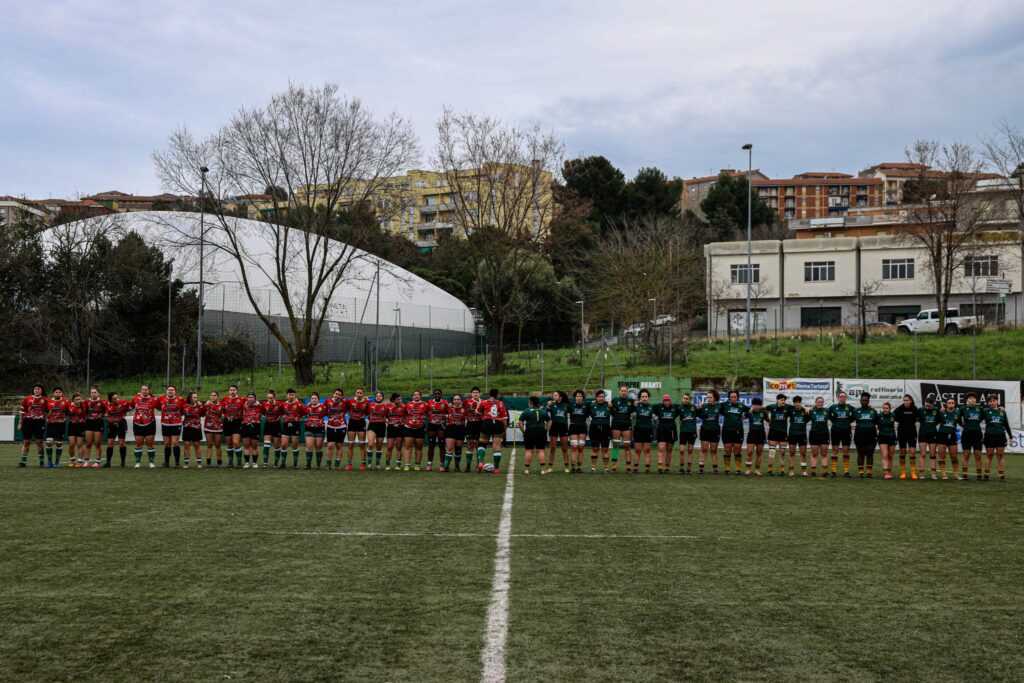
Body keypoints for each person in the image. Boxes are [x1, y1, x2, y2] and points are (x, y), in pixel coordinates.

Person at [478, 388, 509, 473]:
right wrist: (504, 430)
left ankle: (480, 462)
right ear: (497, 395)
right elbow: (504, 419)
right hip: (498, 424)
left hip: (487, 423)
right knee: (497, 447)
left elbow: (478, 412)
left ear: (489, 394)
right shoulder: (501, 403)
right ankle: (496, 468)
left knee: (482, 444)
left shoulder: (484, 402)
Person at [982, 394, 1012, 481]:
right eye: (990, 401)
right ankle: (986, 475)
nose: (992, 402)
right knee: (989, 455)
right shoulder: (985, 411)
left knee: (1000, 455)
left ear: (997, 401)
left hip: (1000, 436)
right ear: (988, 402)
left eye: (994, 400)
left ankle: (1001, 476)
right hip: (989, 436)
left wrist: (1010, 436)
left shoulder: (1002, 411)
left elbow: (1006, 425)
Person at [718, 390, 748, 475]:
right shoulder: (724, 405)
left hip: (738, 431)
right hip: (726, 430)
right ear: (729, 398)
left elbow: (751, 411)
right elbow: (716, 409)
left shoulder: (741, 405)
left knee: (737, 450)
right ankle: (727, 468)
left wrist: (745, 416)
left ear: (737, 397)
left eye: (735, 397)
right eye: (731, 397)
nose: (733, 398)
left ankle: (738, 469)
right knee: (727, 450)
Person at [519, 396, 551, 474]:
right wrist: (546, 430)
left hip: (530, 431)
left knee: (529, 451)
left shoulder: (527, 411)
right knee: (541, 450)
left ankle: (526, 469)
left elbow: (520, 423)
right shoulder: (543, 411)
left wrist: (523, 432)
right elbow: (550, 421)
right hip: (541, 431)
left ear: (531, 402)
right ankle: (543, 470)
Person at [18, 385, 48, 467]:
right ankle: (23, 462)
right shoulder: (27, 399)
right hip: (28, 421)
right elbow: (22, 411)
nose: (37, 390)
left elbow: (48, 411)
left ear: (41, 391)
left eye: (38, 389)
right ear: (33, 390)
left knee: (39, 442)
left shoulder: (45, 400)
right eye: (35, 389)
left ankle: (41, 462)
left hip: (39, 422)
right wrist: (20, 423)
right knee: (26, 441)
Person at [957, 392, 985, 481]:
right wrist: (962, 425)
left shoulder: (980, 409)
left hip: (977, 434)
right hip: (967, 434)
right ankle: (965, 475)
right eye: (970, 398)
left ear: (975, 400)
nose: (972, 400)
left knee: (978, 455)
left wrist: (1001, 409)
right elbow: (956, 417)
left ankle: (979, 475)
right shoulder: (963, 409)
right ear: (967, 400)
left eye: (973, 398)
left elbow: (985, 416)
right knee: (966, 455)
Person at [893, 394, 921, 480]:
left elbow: (918, 418)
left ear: (911, 401)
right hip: (902, 432)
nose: (905, 402)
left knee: (912, 452)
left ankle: (913, 473)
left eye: (907, 400)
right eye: (904, 400)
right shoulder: (899, 409)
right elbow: (894, 417)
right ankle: (903, 472)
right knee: (902, 452)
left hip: (912, 432)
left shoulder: (914, 409)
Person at [131, 385, 159, 469]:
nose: (144, 391)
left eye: (145, 390)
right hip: (137, 423)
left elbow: (161, 407)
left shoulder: (153, 400)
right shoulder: (136, 398)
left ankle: (151, 462)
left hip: (150, 423)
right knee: (138, 444)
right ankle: (137, 462)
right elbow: (130, 406)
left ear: (148, 390)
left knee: (150, 444)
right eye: (142, 389)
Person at [157, 385, 186, 468]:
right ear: (166, 391)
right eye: (169, 390)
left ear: (175, 391)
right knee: (167, 444)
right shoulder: (161, 399)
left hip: (176, 424)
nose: (170, 391)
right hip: (165, 424)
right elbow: (152, 401)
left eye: (172, 390)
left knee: (175, 443)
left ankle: (177, 463)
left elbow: (186, 407)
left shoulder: (180, 399)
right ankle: (166, 463)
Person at [827, 391, 854, 477]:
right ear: (838, 398)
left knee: (846, 450)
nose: (842, 398)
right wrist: (833, 420)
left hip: (846, 431)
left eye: (844, 397)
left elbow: (856, 413)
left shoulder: (849, 407)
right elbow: (826, 413)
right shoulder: (833, 407)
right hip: (836, 431)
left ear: (846, 398)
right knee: (835, 450)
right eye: (841, 397)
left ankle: (846, 471)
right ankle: (834, 471)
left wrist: (848, 421)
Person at [853, 393, 879, 477]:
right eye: (862, 400)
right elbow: (849, 420)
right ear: (860, 401)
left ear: (868, 401)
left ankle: (869, 472)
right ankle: (860, 472)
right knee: (861, 453)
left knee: (870, 453)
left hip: (871, 435)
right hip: (859, 435)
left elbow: (878, 422)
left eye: (866, 400)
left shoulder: (873, 411)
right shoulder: (856, 411)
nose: (864, 402)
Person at [43, 387, 70, 468]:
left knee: (59, 443)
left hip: (61, 424)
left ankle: (57, 462)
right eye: (56, 392)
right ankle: (50, 462)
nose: (58, 393)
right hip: (51, 424)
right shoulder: (49, 401)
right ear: (53, 393)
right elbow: (45, 411)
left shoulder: (66, 401)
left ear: (61, 393)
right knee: (49, 442)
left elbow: (69, 412)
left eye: (59, 392)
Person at [587, 390, 613, 473]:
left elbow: (615, 412)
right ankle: (593, 468)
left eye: (602, 397)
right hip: (594, 429)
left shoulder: (608, 405)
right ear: (596, 398)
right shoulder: (591, 405)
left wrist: (608, 401)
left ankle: (606, 468)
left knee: (605, 449)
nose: (601, 398)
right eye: (599, 397)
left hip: (606, 429)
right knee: (595, 449)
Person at [402, 390, 429, 471]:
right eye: (414, 394)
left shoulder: (425, 405)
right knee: (408, 447)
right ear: (412, 396)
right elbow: (405, 414)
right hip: (409, 428)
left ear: (421, 396)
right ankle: (407, 465)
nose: (416, 396)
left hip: (420, 428)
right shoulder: (408, 404)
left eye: (418, 394)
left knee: (419, 448)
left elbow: (428, 413)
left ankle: (417, 465)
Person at [696, 390, 721, 474]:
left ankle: (715, 468)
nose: (708, 399)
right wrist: (699, 408)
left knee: (713, 450)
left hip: (715, 430)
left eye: (710, 397)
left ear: (715, 398)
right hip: (705, 430)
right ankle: (701, 468)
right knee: (704, 449)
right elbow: (697, 414)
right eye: (707, 397)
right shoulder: (703, 406)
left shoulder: (719, 406)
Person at [766, 393, 791, 476]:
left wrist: (805, 408)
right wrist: (768, 420)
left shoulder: (788, 407)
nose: (783, 401)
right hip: (773, 432)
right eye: (781, 400)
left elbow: (798, 408)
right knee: (772, 452)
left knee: (782, 452)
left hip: (783, 433)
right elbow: (762, 409)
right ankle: (769, 471)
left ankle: (782, 471)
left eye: (784, 400)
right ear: (777, 400)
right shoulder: (772, 407)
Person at [103, 392, 131, 467]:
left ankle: (122, 462)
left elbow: (131, 404)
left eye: (117, 397)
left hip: (121, 424)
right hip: (111, 425)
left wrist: (126, 410)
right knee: (110, 443)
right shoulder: (106, 404)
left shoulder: (123, 402)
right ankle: (108, 462)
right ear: (110, 400)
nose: (117, 399)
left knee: (121, 443)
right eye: (114, 399)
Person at [653, 394, 679, 474]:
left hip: (671, 431)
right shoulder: (658, 407)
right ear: (663, 401)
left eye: (668, 400)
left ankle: (667, 467)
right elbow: (649, 406)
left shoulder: (675, 407)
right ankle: (660, 467)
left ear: (670, 401)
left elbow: (684, 407)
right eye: (665, 400)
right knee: (661, 449)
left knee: (669, 450)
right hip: (661, 430)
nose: (666, 402)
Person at [935, 398, 960, 480]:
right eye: (949, 403)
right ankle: (943, 474)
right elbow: (935, 421)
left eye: (952, 402)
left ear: (954, 404)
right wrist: (939, 411)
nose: (951, 404)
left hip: (952, 435)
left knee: (954, 456)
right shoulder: (941, 412)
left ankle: (956, 474)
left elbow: (961, 422)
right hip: (942, 435)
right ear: (946, 404)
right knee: (942, 455)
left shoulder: (957, 412)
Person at [546, 390, 570, 474]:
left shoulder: (566, 405)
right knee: (552, 448)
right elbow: (544, 410)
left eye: (556, 395)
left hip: (563, 428)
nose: (554, 397)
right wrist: (547, 404)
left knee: (564, 448)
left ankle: (567, 466)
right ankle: (550, 466)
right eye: (554, 395)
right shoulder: (551, 404)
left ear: (560, 397)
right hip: (553, 428)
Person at [610, 386, 634, 473]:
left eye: (625, 391)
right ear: (619, 391)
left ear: (627, 392)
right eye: (622, 391)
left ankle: (628, 467)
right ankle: (614, 467)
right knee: (616, 445)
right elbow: (611, 410)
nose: (624, 392)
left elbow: (635, 409)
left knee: (627, 446)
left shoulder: (631, 401)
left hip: (627, 426)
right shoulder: (615, 400)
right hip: (616, 425)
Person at [346, 388, 370, 470]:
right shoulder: (350, 401)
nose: (359, 394)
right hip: (352, 422)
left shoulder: (367, 402)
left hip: (361, 423)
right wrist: (352, 415)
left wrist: (361, 416)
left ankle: (363, 464)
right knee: (350, 444)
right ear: (355, 393)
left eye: (361, 393)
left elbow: (368, 412)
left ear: (363, 394)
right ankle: (349, 464)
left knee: (362, 444)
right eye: (358, 392)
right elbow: (346, 409)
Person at [221, 385, 245, 467]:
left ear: (237, 391)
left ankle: (239, 462)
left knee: (236, 442)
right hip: (227, 422)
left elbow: (250, 404)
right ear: (229, 391)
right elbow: (220, 408)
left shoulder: (242, 399)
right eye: (231, 390)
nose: (232, 391)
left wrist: (256, 402)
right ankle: (230, 462)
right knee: (229, 443)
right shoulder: (225, 399)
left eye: (234, 390)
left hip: (237, 422)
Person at [632, 389, 655, 474]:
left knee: (647, 450)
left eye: (646, 396)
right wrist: (635, 402)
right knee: (637, 450)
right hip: (638, 429)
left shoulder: (652, 407)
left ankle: (647, 469)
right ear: (640, 398)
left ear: (648, 397)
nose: (644, 398)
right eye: (643, 397)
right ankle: (635, 469)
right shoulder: (636, 405)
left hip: (648, 430)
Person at [281, 389, 306, 469]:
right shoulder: (283, 404)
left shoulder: (298, 404)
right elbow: (280, 413)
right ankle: (283, 464)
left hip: (295, 425)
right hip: (286, 425)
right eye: (289, 394)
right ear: (287, 395)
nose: (291, 396)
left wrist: (296, 418)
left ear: (295, 396)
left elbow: (303, 413)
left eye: (292, 394)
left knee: (295, 444)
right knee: (284, 445)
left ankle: (295, 464)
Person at [83, 386, 106, 468]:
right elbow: (83, 411)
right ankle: (86, 461)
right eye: (92, 392)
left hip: (98, 422)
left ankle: (97, 461)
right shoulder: (86, 401)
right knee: (88, 443)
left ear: (98, 393)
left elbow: (106, 410)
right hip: (89, 422)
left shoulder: (102, 401)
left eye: (95, 392)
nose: (93, 394)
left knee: (97, 443)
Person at [426, 389, 449, 472]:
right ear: (433, 395)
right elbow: (427, 412)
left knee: (442, 445)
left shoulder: (445, 403)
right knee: (431, 445)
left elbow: (448, 412)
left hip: (441, 426)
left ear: (441, 394)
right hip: (432, 425)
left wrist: (443, 418)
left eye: (438, 394)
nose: (437, 395)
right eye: (435, 394)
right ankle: (429, 464)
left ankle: (442, 465)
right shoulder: (429, 402)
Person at [324, 389, 348, 470]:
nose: (337, 395)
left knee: (339, 445)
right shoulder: (328, 401)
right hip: (331, 426)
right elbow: (322, 408)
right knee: (330, 446)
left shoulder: (345, 402)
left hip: (341, 426)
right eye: (336, 394)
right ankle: (328, 464)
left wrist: (366, 399)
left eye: (339, 394)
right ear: (333, 394)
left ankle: (337, 464)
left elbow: (355, 403)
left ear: (341, 396)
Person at [444, 394, 469, 472]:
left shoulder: (464, 409)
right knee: (450, 448)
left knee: (458, 449)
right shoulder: (448, 407)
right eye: (455, 399)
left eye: (458, 399)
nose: (456, 401)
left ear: (461, 400)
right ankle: (446, 467)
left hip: (461, 429)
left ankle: (457, 467)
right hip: (451, 429)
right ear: (452, 400)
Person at [917, 398, 940, 480]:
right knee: (923, 454)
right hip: (923, 434)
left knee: (932, 454)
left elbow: (938, 421)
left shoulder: (936, 410)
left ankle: (933, 474)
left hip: (933, 434)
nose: (927, 406)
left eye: (929, 405)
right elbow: (917, 419)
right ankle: (921, 473)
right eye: (926, 405)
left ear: (933, 404)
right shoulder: (920, 410)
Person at [303, 392, 327, 469]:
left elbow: (328, 414)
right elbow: (302, 413)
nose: (314, 400)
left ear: (318, 400)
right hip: (309, 428)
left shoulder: (323, 407)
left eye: (315, 398)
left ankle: (318, 465)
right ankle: (308, 464)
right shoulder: (307, 407)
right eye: (312, 398)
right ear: (310, 399)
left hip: (320, 428)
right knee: (309, 446)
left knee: (318, 447)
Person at [261, 389, 284, 469]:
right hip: (268, 424)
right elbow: (263, 412)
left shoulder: (279, 404)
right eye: (268, 398)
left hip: (276, 425)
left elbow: (283, 412)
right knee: (266, 444)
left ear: (274, 398)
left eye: (271, 398)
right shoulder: (264, 404)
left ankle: (276, 463)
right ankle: (265, 463)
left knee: (276, 445)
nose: (270, 399)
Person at [808, 397, 830, 477]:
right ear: (816, 403)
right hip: (814, 434)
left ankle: (825, 472)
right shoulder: (811, 411)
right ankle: (813, 472)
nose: (820, 403)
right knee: (814, 453)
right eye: (818, 402)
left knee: (824, 454)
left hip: (824, 434)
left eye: (821, 402)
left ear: (823, 403)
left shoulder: (827, 411)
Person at [786, 396, 808, 477]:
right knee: (792, 453)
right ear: (794, 403)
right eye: (796, 402)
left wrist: (805, 408)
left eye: (799, 402)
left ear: (801, 402)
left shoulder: (805, 411)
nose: (797, 404)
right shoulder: (790, 410)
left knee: (803, 453)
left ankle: (804, 471)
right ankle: (791, 470)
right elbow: (783, 406)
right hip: (792, 434)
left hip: (802, 435)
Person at [366, 391, 389, 471]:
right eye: (377, 396)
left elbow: (389, 416)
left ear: (383, 397)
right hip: (372, 426)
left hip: (381, 426)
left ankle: (377, 465)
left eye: (380, 396)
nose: (378, 397)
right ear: (375, 397)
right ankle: (369, 464)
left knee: (379, 447)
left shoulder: (386, 407)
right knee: (370, 444)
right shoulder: (370, 405)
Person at [181, 392, 205, 468]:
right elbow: (180, 414)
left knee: (196, 445)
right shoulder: (184, 406)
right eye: (194, 397)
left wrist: (202, 405)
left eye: (196, 397)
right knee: (186, 445)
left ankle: (199, 463)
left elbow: (204, 413)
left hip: (196, 428)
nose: (196, 399)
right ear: (190, 398)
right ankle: (186, 463)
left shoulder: (199, 406)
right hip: (187, 428)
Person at [240, 393, 263, 468]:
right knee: (246, 446)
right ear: (247, 398)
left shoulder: (259, 405)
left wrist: (258, 403)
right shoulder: (243, 405)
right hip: (245, 426)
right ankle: (246, 462)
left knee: (254, 446)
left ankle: (255, 462)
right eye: (249, 397)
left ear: (255, 398)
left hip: (255, 426)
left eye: (252, 397)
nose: (250, 398)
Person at [567, 390, 588, 474]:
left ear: (583, 397)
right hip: (573, 427)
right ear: (575, 397)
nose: (579, 397)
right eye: (577, 396)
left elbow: (597, 401)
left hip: (582, 428)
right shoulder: (570, 405)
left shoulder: (586, 405)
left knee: (580, 447)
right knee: (574, 447)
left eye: (580, 396)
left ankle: (579, 467)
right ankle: (573, 467)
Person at [677, 394, 698, 474]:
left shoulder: (694, 407)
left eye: (687, 399)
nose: (685, 400)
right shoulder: (679, 408)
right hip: (683, 432)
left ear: (689, 400)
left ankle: (689, 468)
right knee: (682, 450)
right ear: (682, 399)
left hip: (692, 431)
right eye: (684, 398)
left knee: (690, 450)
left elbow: (701, 413)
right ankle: (681, 467)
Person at [464, 387, 483, 473]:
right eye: (474, 392)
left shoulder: (483, 402)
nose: (475, 394)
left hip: (479, 425)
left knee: (478, 445)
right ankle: (468, 466)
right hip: (470, 424)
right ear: (471, 394)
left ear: (479, 394)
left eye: (477, 392)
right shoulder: (467, 401)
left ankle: (479, 464)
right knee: (470, 445)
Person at [203, 391, 225, 467]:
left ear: (217, 396)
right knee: (209, 445)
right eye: (211, 395)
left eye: (214, 395)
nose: (213, 397)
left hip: (218, 428)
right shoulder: (207, 404)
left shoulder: (222, 404)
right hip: (208, 427)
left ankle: (219, 462)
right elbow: (201, 413)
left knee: (218, 445)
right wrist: (203, 405)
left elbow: (226, 412)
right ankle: (208, 462)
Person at [746, 398, 767, 475]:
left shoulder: (763, 412)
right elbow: (742, 418)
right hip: (752, 434)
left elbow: (769, 420)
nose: (756, 406)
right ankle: (748, 469)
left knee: (759, 453)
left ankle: (757, 470)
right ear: (752, 405)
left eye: (758, 405)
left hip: (761, 434)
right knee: (749, 452)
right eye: (755, 404)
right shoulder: (750, 412)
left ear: (760, 405)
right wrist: (748, 412)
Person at [384, 394, 404, 470]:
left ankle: (398, 465)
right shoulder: (388, 406)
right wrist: (389, 422)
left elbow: (407, 415)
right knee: (389, 447)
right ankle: (387, 464)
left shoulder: (403, 407)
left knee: (399, 447)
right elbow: (384, 415)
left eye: (400, 399)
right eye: (398, 399)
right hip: (391, 428)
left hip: (400, 428)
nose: (400, 401)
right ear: (393, 400)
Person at [877, 402, 897, 479]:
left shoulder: (893, 415)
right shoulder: (879, 416)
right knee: (885, 455)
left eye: (886, 408)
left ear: (890, 409)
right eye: (883, 408)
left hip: (892, 437)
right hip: (882, 437)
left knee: (890, 456)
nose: (884, 410)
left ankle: (889, 471)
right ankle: (886, 473)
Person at [66, 393, 86, 467]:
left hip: (81, 425)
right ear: (73, 400)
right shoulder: (69, 405)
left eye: (79, 399)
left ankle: (80, 461)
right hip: (72, 425)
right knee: (71, 444)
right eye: (76, 400)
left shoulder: (84, 405)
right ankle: (72, 460)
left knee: (79, 444)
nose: (78, 401)